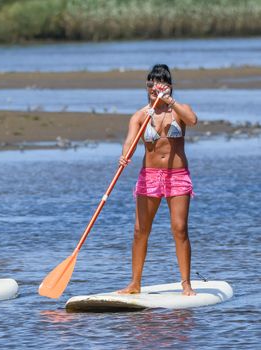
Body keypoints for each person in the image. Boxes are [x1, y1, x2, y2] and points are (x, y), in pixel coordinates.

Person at [118, 64, 198, 296]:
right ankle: (135, 283)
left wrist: (170, 101)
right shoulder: (141, 115)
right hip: (150, 176)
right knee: (140, 230)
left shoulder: (180, 110)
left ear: (169, 87)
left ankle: (186, 284)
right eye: (151, 83)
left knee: (179, 228)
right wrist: (125, 156)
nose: (155, 88)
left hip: (177, 176)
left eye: (160, 83)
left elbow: (192, 121)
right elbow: (130, 141)